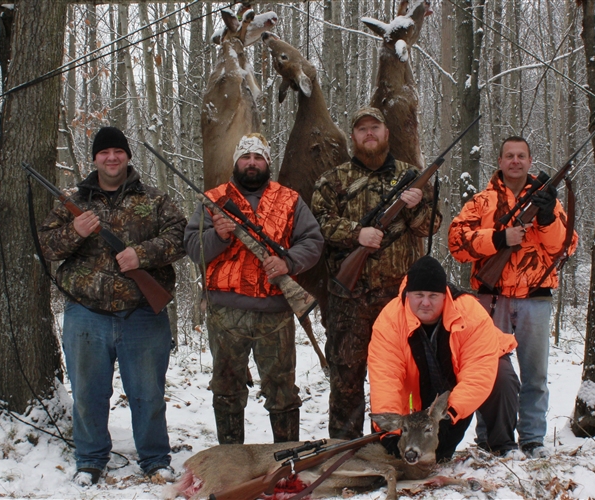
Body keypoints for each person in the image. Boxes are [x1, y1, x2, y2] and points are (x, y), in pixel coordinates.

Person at [39, 126, 187, 485]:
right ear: (94, 158)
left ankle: (154, 459)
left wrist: (142, 254)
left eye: (118, 152)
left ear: (127, 156)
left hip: (142, 313)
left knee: (148, 393)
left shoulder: (155, 199)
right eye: (104, 152)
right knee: (88, 393)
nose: (111, 158)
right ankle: (89, 460)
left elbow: (180, 236)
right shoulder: (71, 200)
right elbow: (46, 247)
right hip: (86, 312)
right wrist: (75, 230)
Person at [311, 107, 442, 439]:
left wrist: (415, 207)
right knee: (347, 378)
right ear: (353, 136)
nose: (369, 133)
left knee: (404, 376)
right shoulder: (333, 179)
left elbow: (432, 226)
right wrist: (357, 234)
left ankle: (402, 444)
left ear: (386, 133)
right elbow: (317, 225)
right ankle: (344, 448)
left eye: (375, 127)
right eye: (362, 129)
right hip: (348, 299)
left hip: (399, 302)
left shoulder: (412, 176)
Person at [184, 133, 324, 445]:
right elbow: (193, 247)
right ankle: (232, 461)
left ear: (267, 163)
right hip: (225, 315)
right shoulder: (213, 199)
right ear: (236, 162)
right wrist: (218, 237)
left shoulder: (289, 199)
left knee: (282, 390)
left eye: (258, 157)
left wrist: (287, 263)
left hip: (274, 313)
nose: (251, 163)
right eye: (245, 157)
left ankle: (288, 461)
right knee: (226, 389)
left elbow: (313, 242)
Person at [447, 136, 578, 459]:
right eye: (509, 156)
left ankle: (533, 438)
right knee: (488, 370)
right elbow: (456, 242)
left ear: (530, 161)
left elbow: (566, 246)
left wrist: (546, 220)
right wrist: (498, 238)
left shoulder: (547, 200)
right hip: (491, 300)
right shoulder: (481, 202)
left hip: (536, 299)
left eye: (521, 156)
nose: (515, 161)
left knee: (536, 375)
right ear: (501, 161)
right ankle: (489, 436)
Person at [368, 256, 520, 460]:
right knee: (423, 455)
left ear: (445, 296)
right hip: (424, 383)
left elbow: (478, 373)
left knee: (501, 377)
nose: (425, 303)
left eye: (433, 296)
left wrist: (449, 415)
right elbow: (386, 378)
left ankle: (501, 446)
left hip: (466, 374)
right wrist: (390, 432)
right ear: (407, 295)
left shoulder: (469, 313)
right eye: (419, 295)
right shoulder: (389, 321)